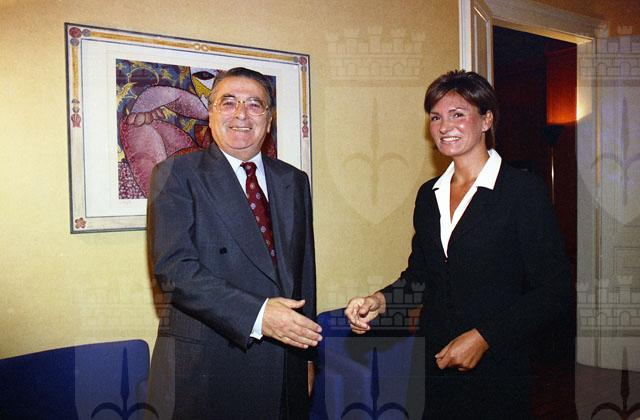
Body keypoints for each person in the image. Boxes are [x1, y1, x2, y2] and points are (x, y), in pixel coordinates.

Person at [345, 70, 570, 419]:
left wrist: (484, 337)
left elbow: (553, 290)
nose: (444, 125)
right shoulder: (428, 195)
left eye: (457, 114)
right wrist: (380, 301)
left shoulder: (522, 192)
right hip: (434, 362)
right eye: (436, 117)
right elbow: (421, 278)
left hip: (499, 366)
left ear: (486, 120)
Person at [146, 67, 321, 419]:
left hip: (284, 363)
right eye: (228, 102)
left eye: (254, 104)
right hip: (210, 366)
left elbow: (304, 274)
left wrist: (306, 354)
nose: (241, 114)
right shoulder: (175, 175)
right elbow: (174, 271)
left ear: (268, 120)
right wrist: (258, 314)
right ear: (210, 114)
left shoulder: (294, 180)